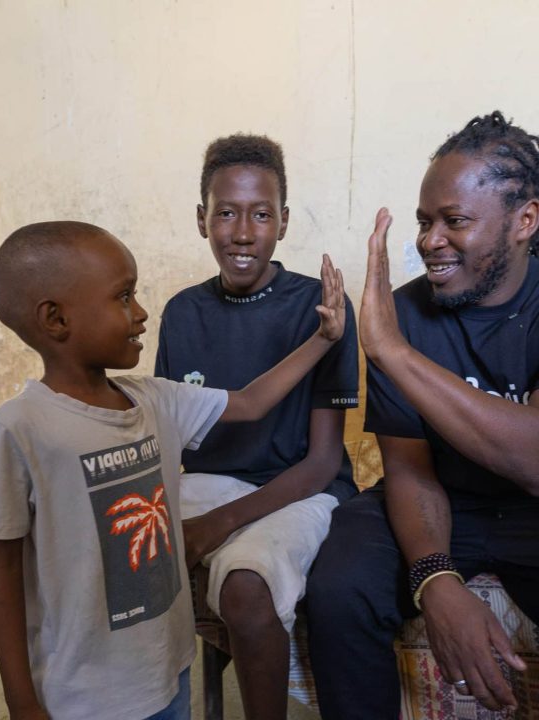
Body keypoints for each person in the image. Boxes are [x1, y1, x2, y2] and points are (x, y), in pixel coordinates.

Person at [0, 220, 346, 720]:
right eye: (124, 297)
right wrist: (20, 698)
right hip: (82, 695)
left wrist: (325, 338)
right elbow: (0, 570)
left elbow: (252, 401)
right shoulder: (21, 429)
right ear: (56, 319)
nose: (142, 312)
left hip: (166, 672)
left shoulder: (155, 400)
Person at [306, 111, 539, 719]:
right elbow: (408, 468)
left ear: (525, 221)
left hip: (530, 508)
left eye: (454, 221)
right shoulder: (402, 312)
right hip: (443, 498)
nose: (430, 240)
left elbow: (536, 461)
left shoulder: (393, 334)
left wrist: (394, 354)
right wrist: (435, 578)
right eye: (424, 221)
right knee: (339, 582)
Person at [154, 134, 358, 719]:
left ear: (284, 222)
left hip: (301, 488)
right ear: (202, 220)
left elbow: (322, 463)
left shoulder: (321, 310)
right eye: (226, 212)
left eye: (261, 214)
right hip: (210, 483)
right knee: (119, 549)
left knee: (246, 590)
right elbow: (172, 447)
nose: (243, 232)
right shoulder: (182, 312)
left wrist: (218, 525)